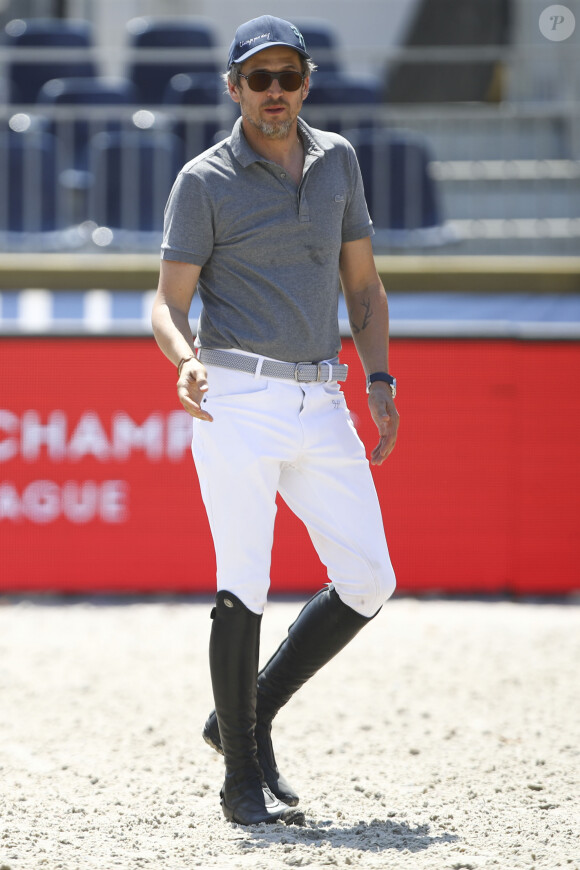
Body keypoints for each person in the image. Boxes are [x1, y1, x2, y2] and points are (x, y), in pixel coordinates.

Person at [151, 14, 399, 827]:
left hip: (322, 395)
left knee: (369, 579)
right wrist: (184, 357)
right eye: (259, 79)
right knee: (243, 582)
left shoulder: (339, 162)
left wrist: (381, 377)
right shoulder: (203, 179)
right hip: (237, 395)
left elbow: (363, 285)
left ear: (305, 84)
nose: (275, 93)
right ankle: (241, 780)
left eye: (288, 77)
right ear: (234, 87)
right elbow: (166, 302)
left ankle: (236, 722)